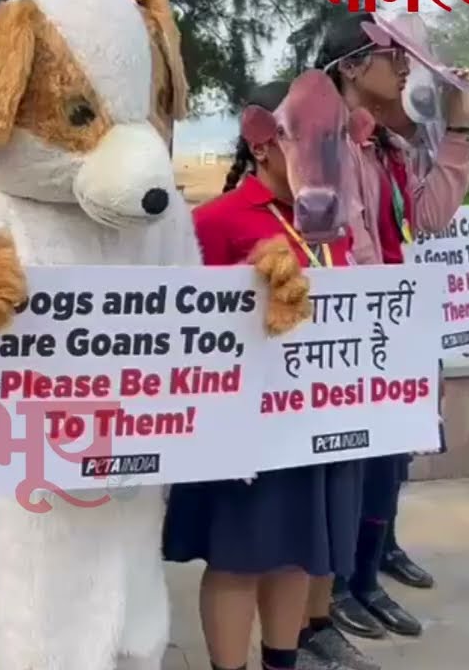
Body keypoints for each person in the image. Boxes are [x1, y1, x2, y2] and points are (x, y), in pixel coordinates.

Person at [162, 81, 364, 670]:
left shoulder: (335, 226)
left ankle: (283, 660)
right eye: (307, 138)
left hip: (311, 421)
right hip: (240, 427)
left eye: (332, 140)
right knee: (237, 559)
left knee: (297, 553)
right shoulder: (215, 222)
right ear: (262, 142)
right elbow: (185, 329)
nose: (324, 155)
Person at [310, 11, 469, 654]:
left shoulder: (385, 145)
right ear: (352, 67)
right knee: (343, 469)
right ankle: (331, 592)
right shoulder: (320, 141)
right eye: (393, 56)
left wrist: (457, 128)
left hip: (388, 331)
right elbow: (339, 246)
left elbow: (428, 217)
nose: (406, 68)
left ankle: (363, 577)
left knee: (386, 463)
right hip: (344, 335)